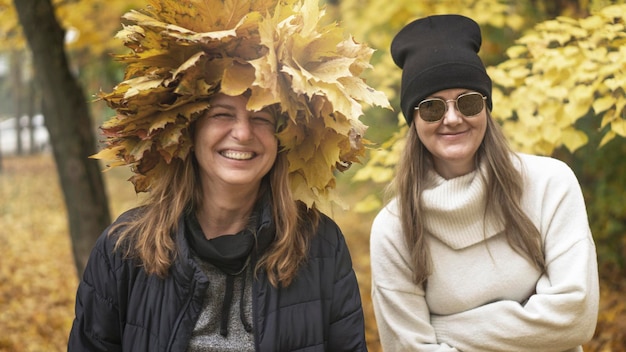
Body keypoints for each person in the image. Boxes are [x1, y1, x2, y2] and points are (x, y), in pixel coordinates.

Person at [68, 0, 389, 350]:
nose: (243, 132)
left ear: (282, 139)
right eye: (222, 114)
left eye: (261, 117)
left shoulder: (320, 246)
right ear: (188, 130)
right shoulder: (123, 250)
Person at [370, 14, 599, 351]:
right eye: (432, 107)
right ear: (413, 120)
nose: (452, 118)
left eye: (469, 101)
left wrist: (446, 331)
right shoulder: (394, 228)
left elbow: (575, 315)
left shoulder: (550, 184)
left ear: (486, 108)